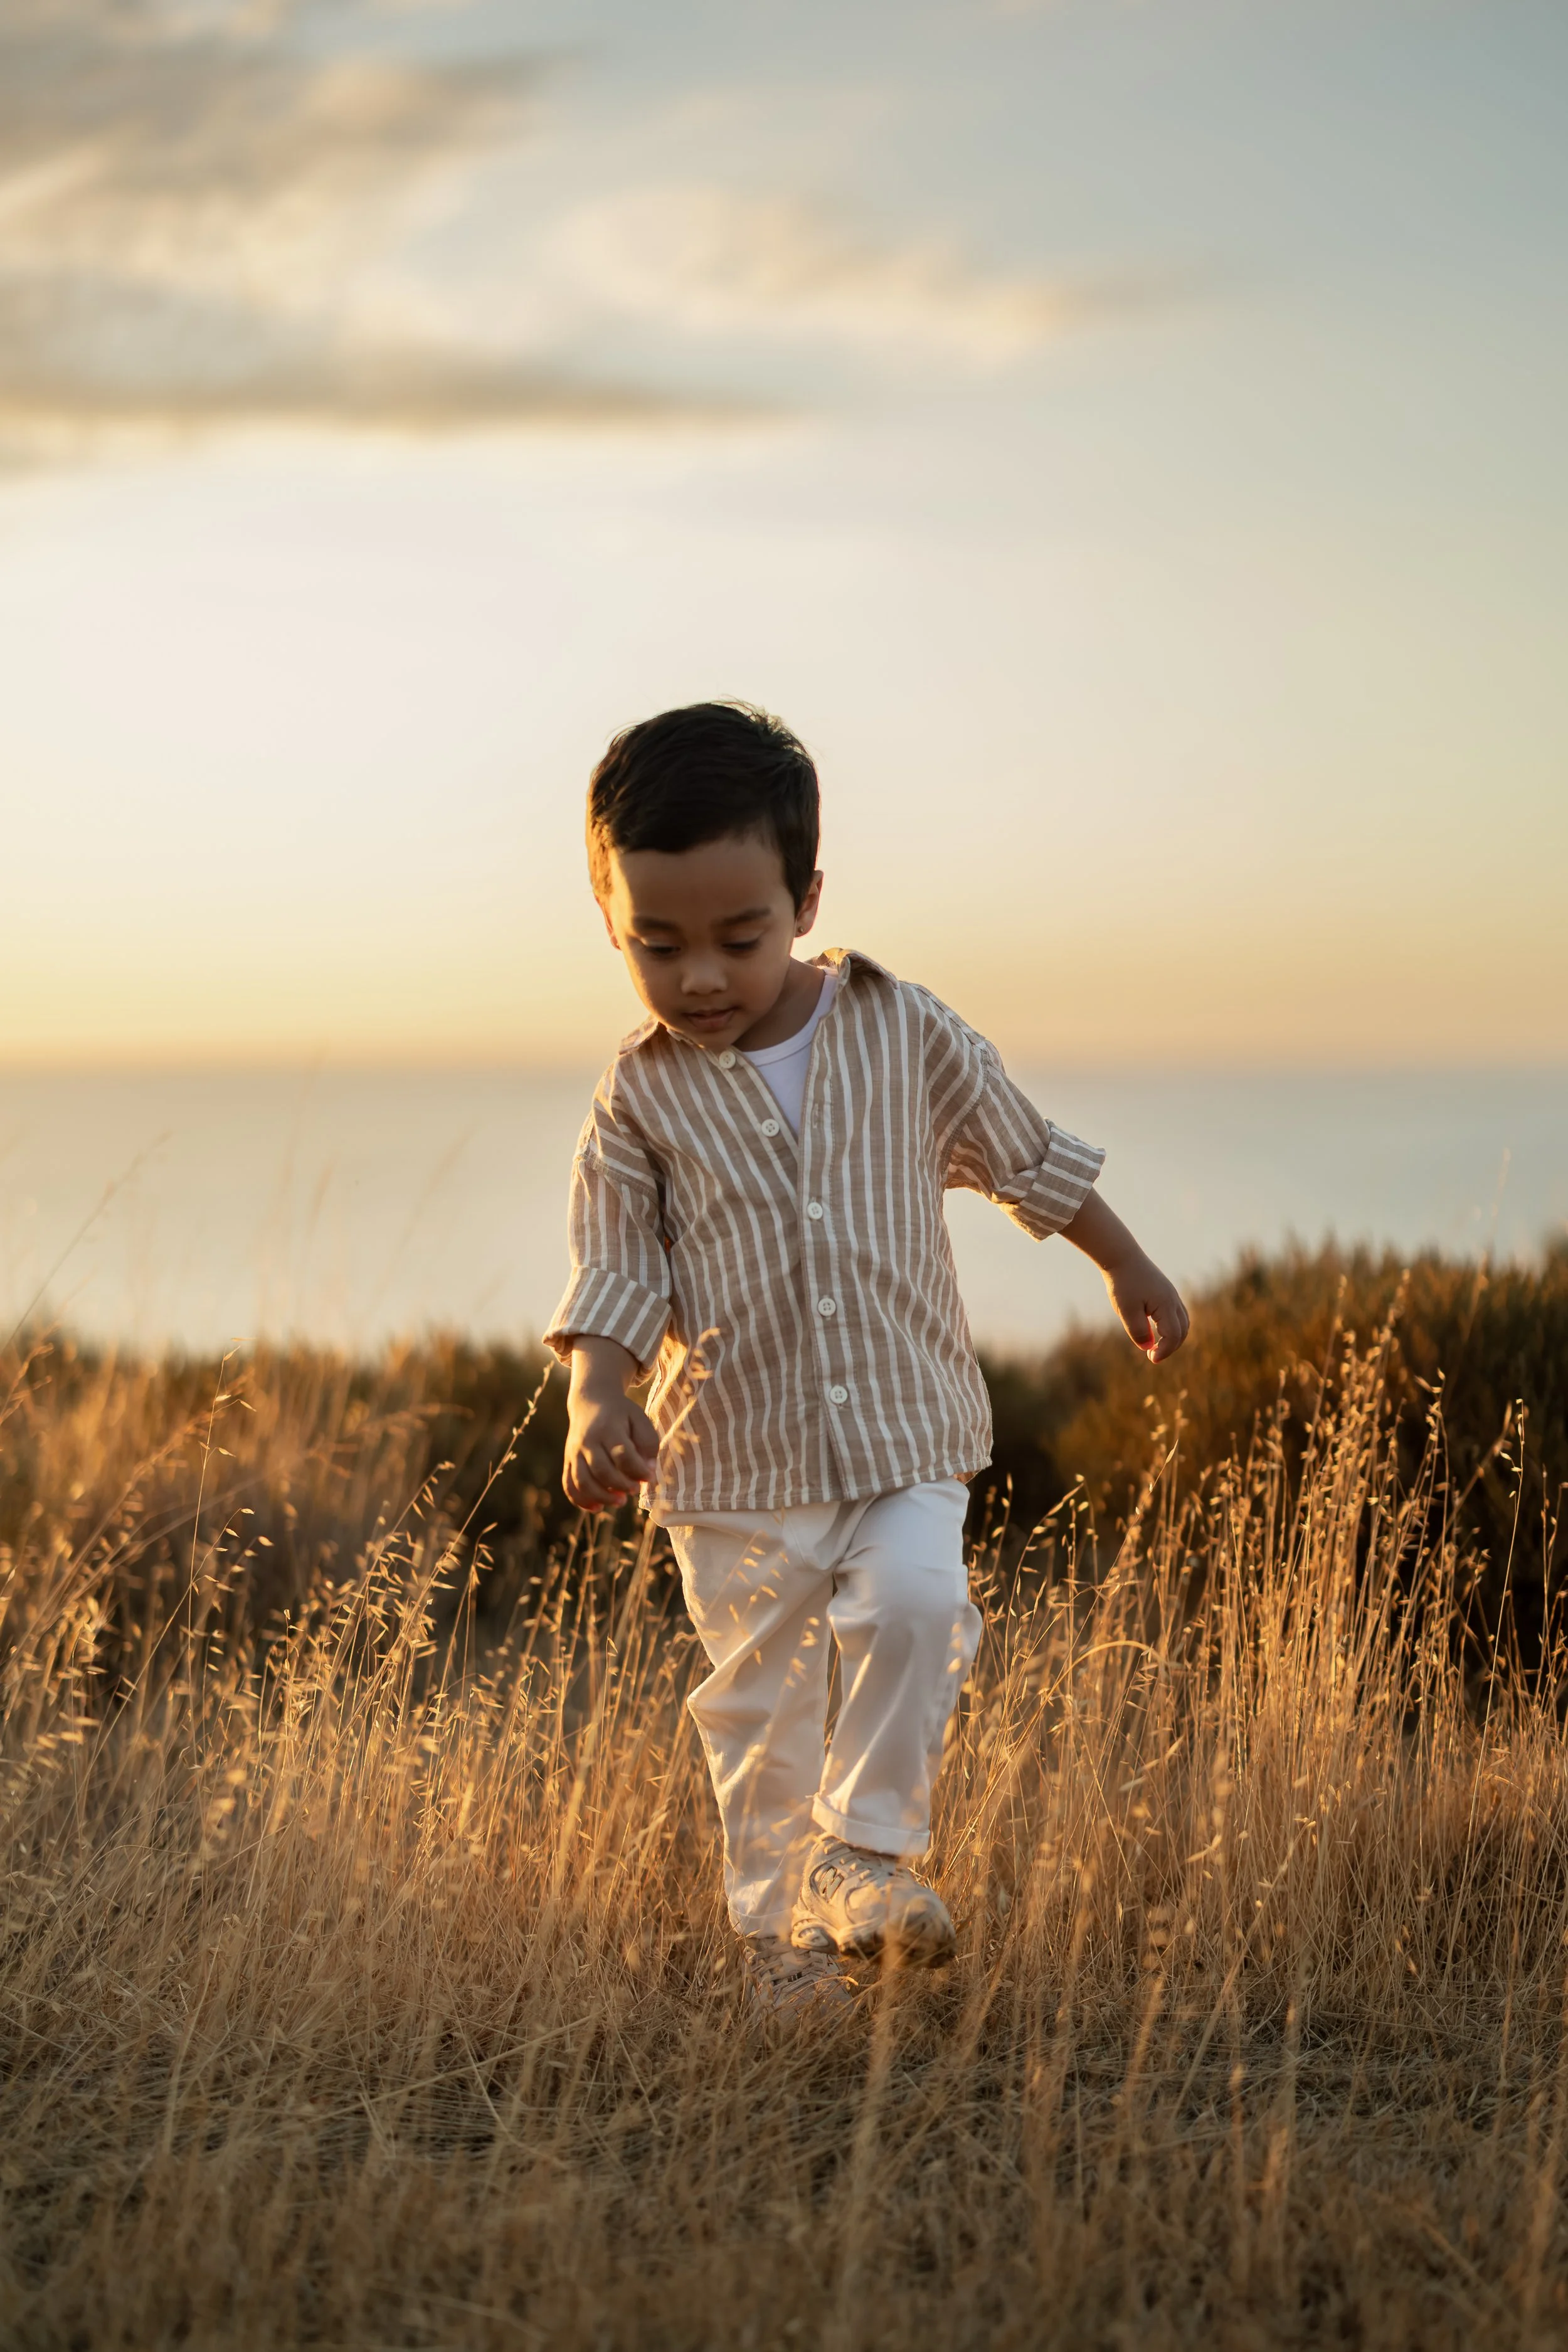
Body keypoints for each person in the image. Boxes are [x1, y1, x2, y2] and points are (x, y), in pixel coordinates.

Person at [544, 702, 1189, 2019]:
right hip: (732, 1457)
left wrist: (1121, 1259)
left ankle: (867, 1849)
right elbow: (615, 1266)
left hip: (905, 1426)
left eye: (740, 937)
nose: (702, 978)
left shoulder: (902, 1028)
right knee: (760, 1710)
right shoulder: (639, 1098)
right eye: (654, 947)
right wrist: (596, 1391)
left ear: (806, 897)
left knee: (914, 1608)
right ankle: (779, 1949)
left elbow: (1022, 1153)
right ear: (609, 919)